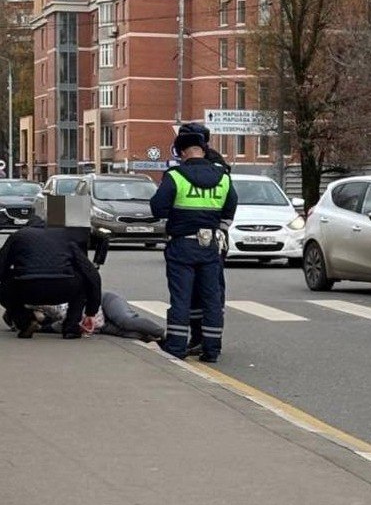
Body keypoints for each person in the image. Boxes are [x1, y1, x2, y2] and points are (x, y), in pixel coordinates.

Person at [151, 130, 237, 362]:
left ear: (182, 152)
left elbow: (158, 208)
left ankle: (176, 346)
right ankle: (211, 350)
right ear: (203, 150)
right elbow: (230, 207)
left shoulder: (176, 176)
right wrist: (216, 228)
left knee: (181, 297)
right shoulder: (223, 177)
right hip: (211, 246)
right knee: (211, 298)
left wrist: (176, 217)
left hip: (182, 244)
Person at [176, 122, 231, 355]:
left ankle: (203, 337)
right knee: (206, 291)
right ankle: (206, 339)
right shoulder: (214, 162)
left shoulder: (210, 164)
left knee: (205, 292)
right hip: (212, 237)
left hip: (205, 238)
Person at [0, 217, 102, 339]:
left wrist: (9, 281)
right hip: (63, 288)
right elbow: (91, 274)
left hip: (28, 288)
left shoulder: (19, 236)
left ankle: (26, 322)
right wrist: (91, 311)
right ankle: (71, 328)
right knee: (81, 282)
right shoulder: (66, 236)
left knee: (5, 287)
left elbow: (2, 264)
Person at [32, 291, 165, 342]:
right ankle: (157, 340)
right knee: (129, 334)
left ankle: (164, 333)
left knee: (126, 321)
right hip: (98, 324)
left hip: (102, 303)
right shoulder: (50, 324)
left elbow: (69, 317)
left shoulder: (47, 303)